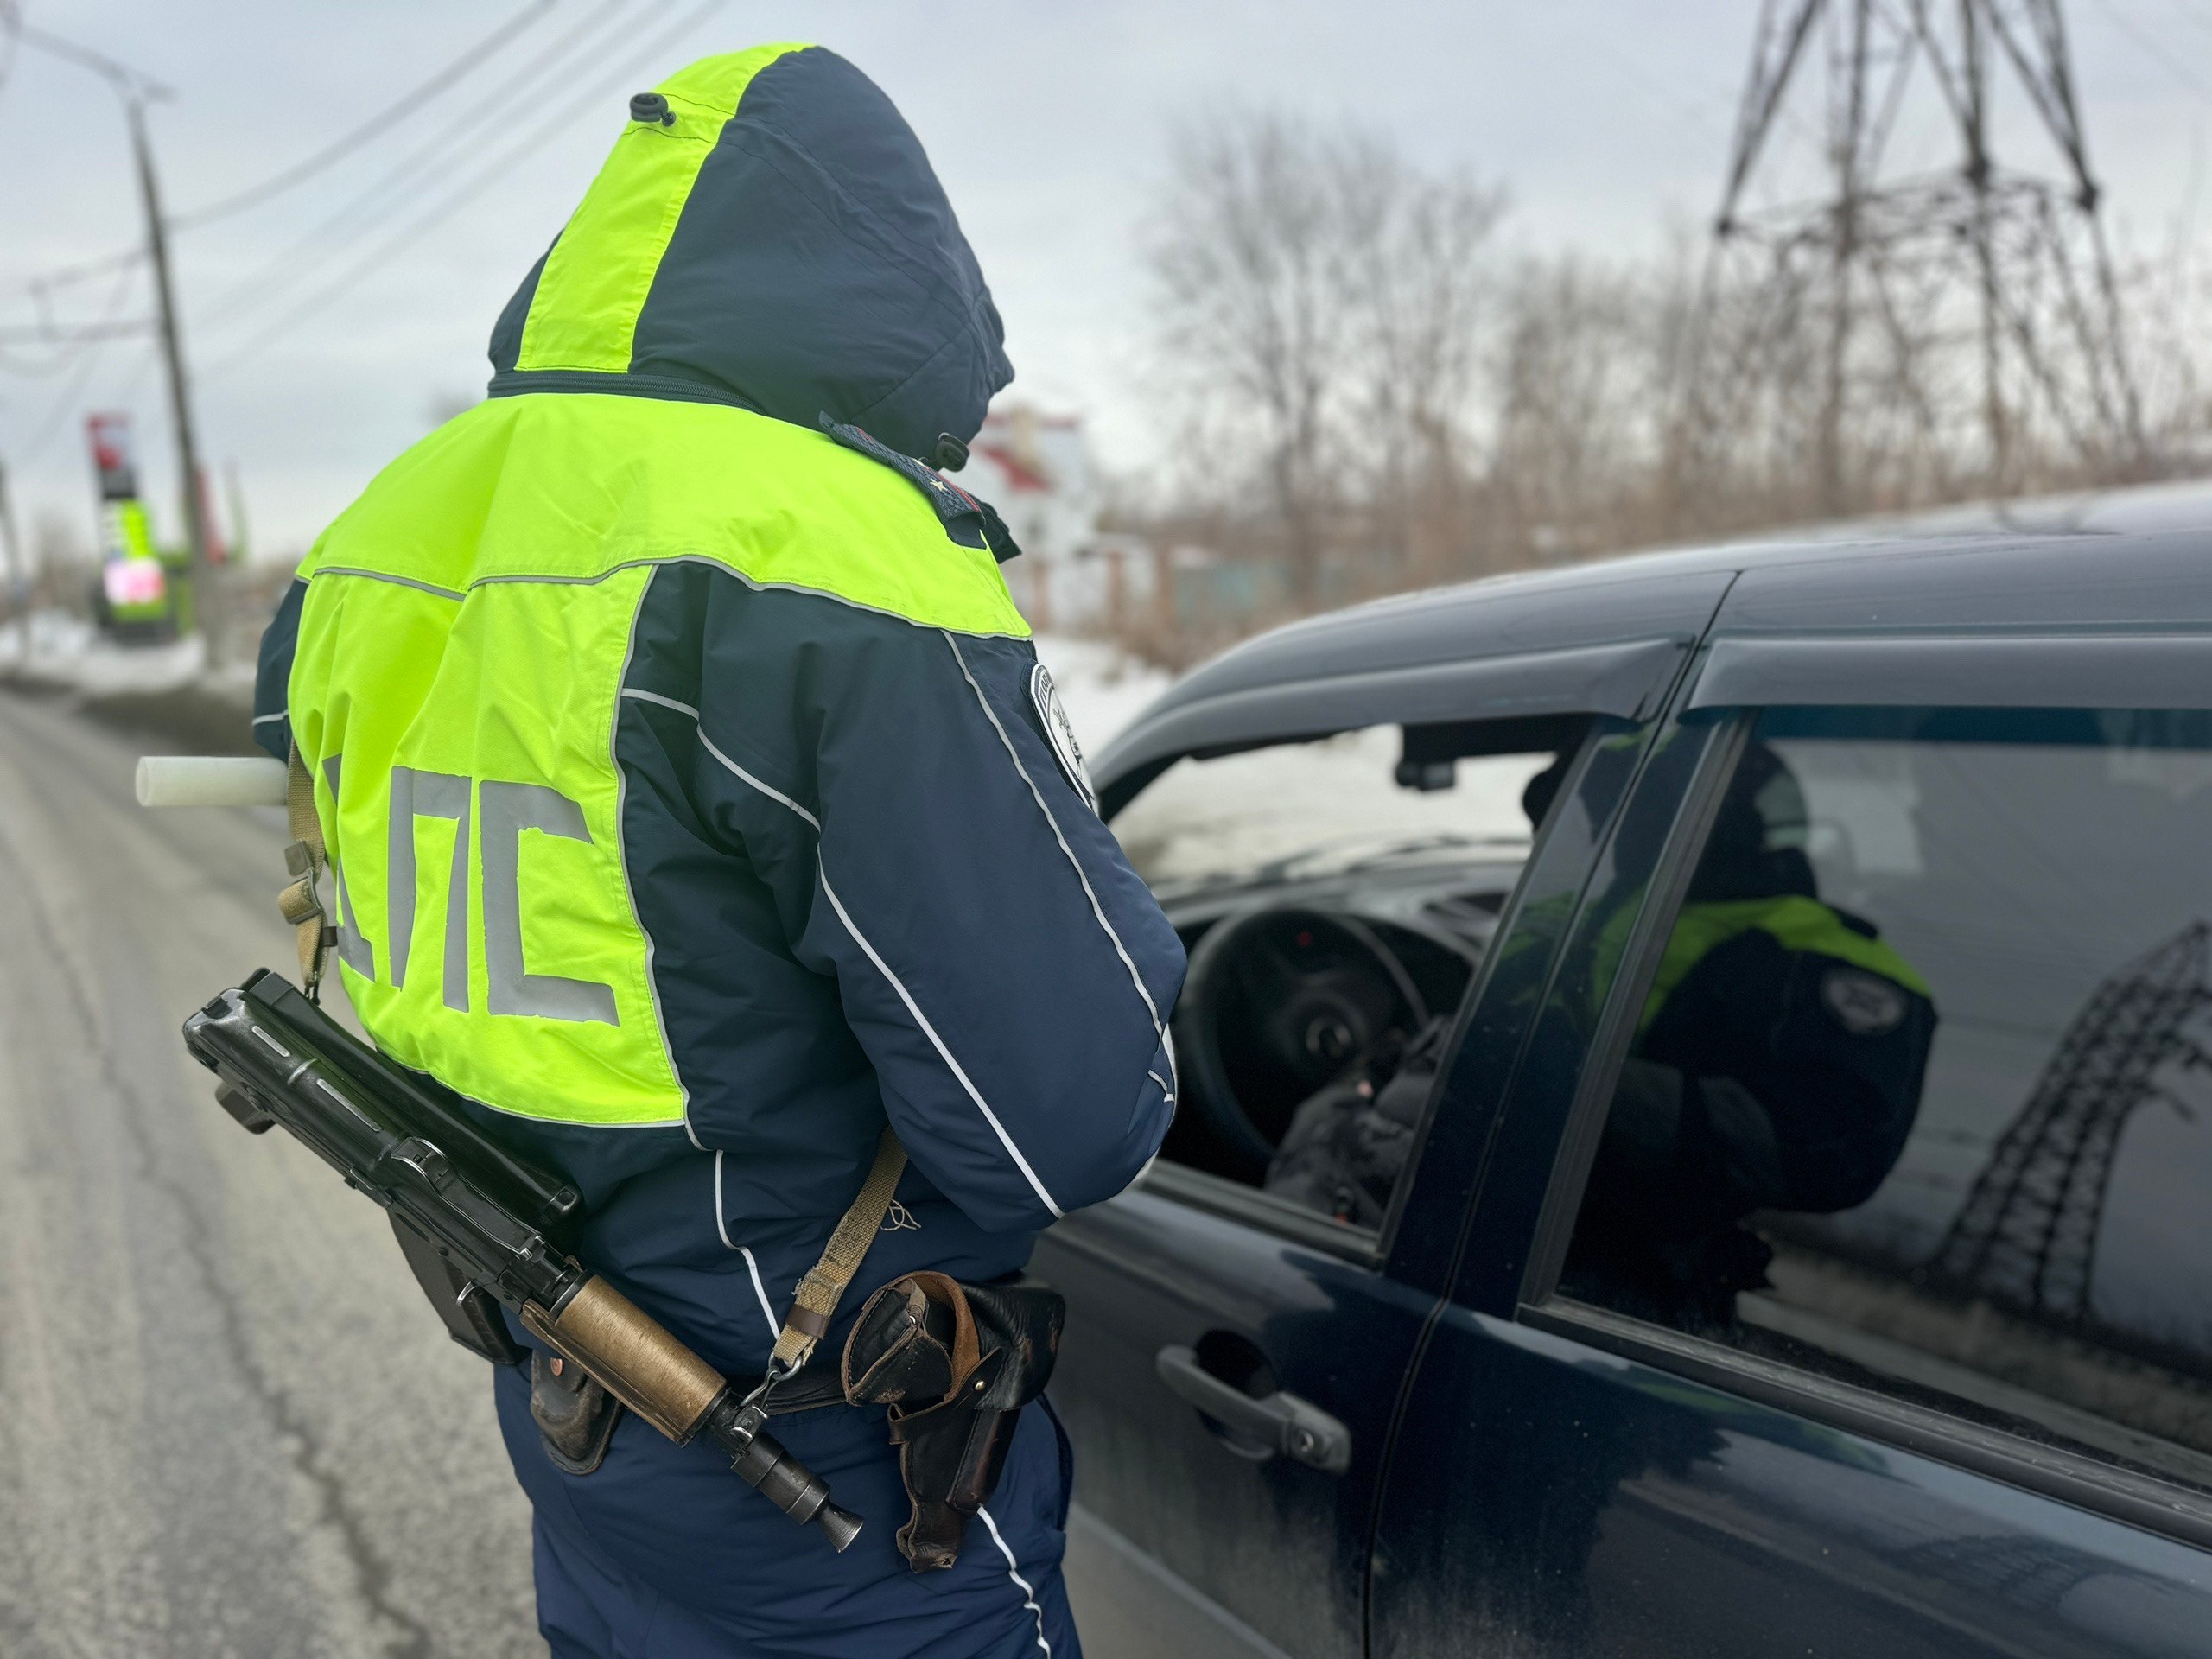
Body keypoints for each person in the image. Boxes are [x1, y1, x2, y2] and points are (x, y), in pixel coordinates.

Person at [252, 44, 1184, 1658]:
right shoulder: (826, 557)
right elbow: (1064, 1120)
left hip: (574, 1419)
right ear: (898, 284)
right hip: (837, 1481)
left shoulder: (377, 537)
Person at [1556, 741, 1937, 1328]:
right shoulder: (1580, 914)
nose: (1611, 832)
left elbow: (1825, 1148)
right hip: (1515, 1241)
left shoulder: (1829, 960)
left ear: (1719, 810)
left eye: (1633, 805)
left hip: (1644, 1299)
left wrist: (1571, 1089)